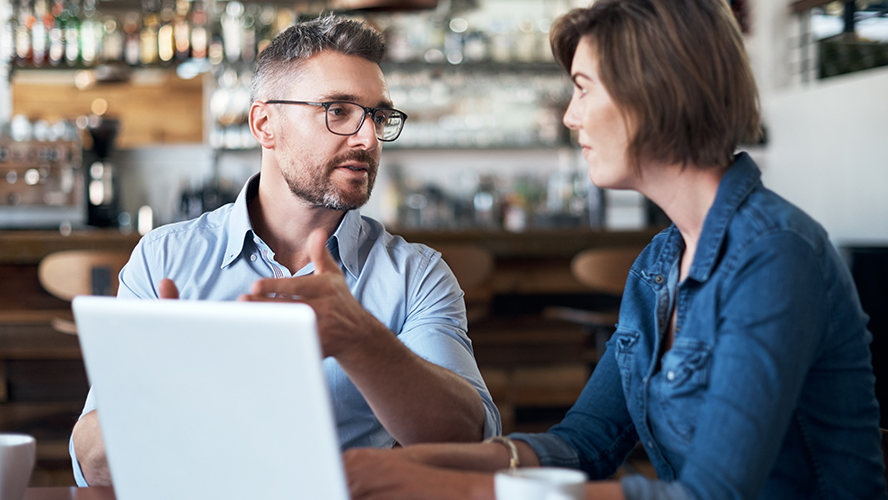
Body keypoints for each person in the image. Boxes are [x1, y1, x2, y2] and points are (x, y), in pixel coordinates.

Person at [343, 0, 887, 498]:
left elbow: (715, 495)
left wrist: (462, 491)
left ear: (652, 89)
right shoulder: (658, 265)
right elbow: (586, 442)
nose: (568, 116)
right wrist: (401, 466)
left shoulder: (775, 254)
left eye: (582, 87)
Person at [69, 15, 501, 487]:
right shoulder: (165, 259)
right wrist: (175, 386)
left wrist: (360, 340)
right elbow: (91, 465)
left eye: (378, 116)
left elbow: (471, 441)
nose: (368, 139)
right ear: (264, 124)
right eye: (338, 110)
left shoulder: (415, 274)